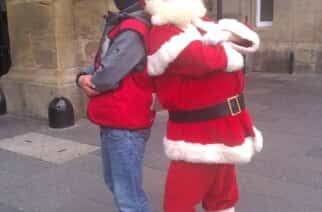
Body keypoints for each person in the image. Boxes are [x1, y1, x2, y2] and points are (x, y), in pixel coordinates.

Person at [144, 0, 263, 211]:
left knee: (223, 199)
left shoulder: (200, 23)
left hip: (228, 128)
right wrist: (231, 47)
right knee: (178, 203)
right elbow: (198, 59)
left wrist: (226, 36)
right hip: (196, 137)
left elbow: (247, 34)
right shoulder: (162, 32)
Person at [76, 0, 155, 211]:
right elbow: (101, 63)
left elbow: (106, 75)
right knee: (118, 185)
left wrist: (87, 80)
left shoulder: (133, 28)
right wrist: (83, 75)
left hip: (125, 123)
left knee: (128, 197)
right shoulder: (126, 23)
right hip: (118, 120)